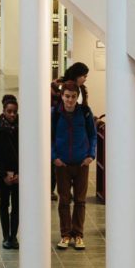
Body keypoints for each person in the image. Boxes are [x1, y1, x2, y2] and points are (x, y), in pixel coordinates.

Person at [52, 80, 97, 250]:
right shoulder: (55, 114)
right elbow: (49, 136)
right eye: (67, 96)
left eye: (73, 97)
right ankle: (65, 235)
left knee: (80, 201)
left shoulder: (85, 113)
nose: (70, 100)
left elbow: (92, 135)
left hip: (81, 164)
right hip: (62, 164)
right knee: (64, 201)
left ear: (77, 97)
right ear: (62, 96)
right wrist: (54, 157)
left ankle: (78, 234)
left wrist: (90, 155)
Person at [49, 62, 90, 200]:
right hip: (60, 128)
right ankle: (53, 189)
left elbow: (84, 108)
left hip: (77, 130)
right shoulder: (58, 85)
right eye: (83, 75)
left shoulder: (82, 89)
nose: (85, 78)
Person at [0, 94, 20, 249]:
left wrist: (19, 174)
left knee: (17, 205)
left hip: (18, 175)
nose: (12, 114)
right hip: (3, 175)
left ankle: (13, 236)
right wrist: (3, 174)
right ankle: (5, 235)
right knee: (4, 203)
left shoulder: (21, 128)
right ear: (3, 111)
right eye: (9, 111)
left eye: (14, 112)